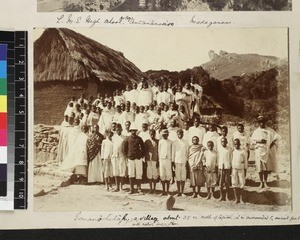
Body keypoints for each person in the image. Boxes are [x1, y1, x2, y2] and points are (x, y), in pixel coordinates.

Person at [251, 115, 281, 188]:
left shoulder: (269, 130)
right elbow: (252, 141)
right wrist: (259, 141)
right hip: (258, 151)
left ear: (265, 122)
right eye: (260, 122)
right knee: (259, 168)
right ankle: (261, 183)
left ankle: (265, 182)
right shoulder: (256, 131)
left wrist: (272, 144)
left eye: (263, 121)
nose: (262, 123)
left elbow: (278, 137)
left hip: (266, 151)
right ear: (258, 123)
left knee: (265, 168)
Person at [122, 123, 146, 194]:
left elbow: (143, 149)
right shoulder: (127, 139)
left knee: (139, 173)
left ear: (136, 131)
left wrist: (141, 156)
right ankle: (131, 189)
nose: (133, 132)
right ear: (130, 131)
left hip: (138, 159)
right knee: (131, 174)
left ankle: (139, 189)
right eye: (132, 130)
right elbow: (124, 149)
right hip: (131, 159)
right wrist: (127, 156)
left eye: (134, 130)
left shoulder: (139, 139)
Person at [172, 129, 189, 196]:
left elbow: (187, 152)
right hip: (177, 161)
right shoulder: (174, 142)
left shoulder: (186, 142)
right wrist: (173, 162)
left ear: (183, 134)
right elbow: (173, 152)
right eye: (178, 134)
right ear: (177, 134)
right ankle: (178, 192)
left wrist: (187, 161)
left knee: (183, 177)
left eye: (181, 134)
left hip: (184, 161)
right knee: (178, 177)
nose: (180, 135)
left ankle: (182, 192)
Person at [232, 138, 247, 203]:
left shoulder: (243, 151)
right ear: (234, 145)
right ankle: (236, 199)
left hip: (241, 169)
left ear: (239, 144)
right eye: (235, 144)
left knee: (242, 184)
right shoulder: (233, 151)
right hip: (234, 169)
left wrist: (245, 169)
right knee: (234, 183)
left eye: (237, 144)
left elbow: (245, 161)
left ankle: (241, 199)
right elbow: (231, 160)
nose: (236, 145)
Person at [112, 124, 126, 192]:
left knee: (121, 171)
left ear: (121, 130)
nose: (118, 131)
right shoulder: (113, 137)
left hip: (121, 157)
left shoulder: (124, 138)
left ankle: (121, 187)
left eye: (119, 130)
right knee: (116, 171)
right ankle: (117, 187)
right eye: (117, 130)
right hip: (115, 156)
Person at [158, 129, 172, 195]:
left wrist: (172, 161)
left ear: (168, 135)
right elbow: (159, 151)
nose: (164, 136)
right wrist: (159, 160)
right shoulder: (160, 142)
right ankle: (163, 191)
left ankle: (168, 191)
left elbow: (172, 151)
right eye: (163, 135)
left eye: (166, 135)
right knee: (162, 174)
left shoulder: (170, 142)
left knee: (168, 174)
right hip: (161, 159)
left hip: (168, 159)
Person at [144, 129, 159, 194]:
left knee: (155, 174)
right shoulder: (147, 141)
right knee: (149, 174)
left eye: (153, 133)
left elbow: (159, 151)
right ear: (149, 134)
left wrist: (158, 161)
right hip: (148, 160)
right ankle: (150, 189)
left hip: (155, 159)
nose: (152, 135)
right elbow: (145, 151)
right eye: (150, 134)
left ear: (155, 134)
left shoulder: (158, 141)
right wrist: (145, 160)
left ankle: (154, 189)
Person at [218, 137, 232, 201]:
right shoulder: (219, 149)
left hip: (227, 168)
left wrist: (230, 167)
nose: (223, 143)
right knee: (220, 183)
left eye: (224, 141)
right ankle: (221, 196)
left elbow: (231, 159)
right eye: (222, 141)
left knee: (227, 183)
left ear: (227, 142)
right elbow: (217, 159)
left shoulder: (229, 149)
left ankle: (227, 196)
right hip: (221, 168)